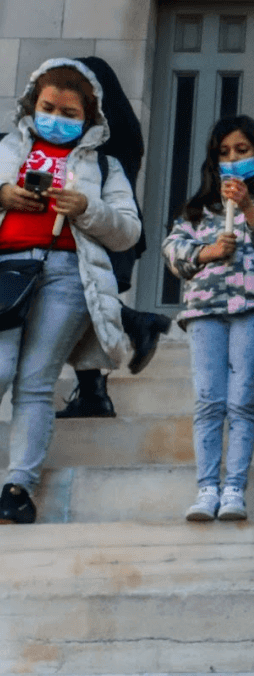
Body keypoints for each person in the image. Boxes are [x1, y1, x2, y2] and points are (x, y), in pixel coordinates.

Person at [0, 58, 141, 524]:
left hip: (67, 276)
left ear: (89, 118)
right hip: (7, 269)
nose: (56, 119)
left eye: (69, 113)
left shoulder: (106, 164)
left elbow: (127, 232)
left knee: (36, 380)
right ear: (31, 105)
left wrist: (87, 207)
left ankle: (18, 487)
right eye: (48, 107)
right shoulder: (7, 148)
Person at [162, 115, 254, 522]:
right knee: (209, 400)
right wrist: (207, 252)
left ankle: (234, 488)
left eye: (242, 150)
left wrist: (249, 209)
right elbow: (174, 250)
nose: (232, 158)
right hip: (204, 311)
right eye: (224, 152)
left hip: (252, 308)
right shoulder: (198, 210)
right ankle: (207, 487)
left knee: (241, 398)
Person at [56, 55, 171, 419]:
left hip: (98, 236)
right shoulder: (124, 135)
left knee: (82, 300)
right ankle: (93, 394)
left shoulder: (96, 147)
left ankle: (138, 322)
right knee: (88, 313)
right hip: (113, 240)